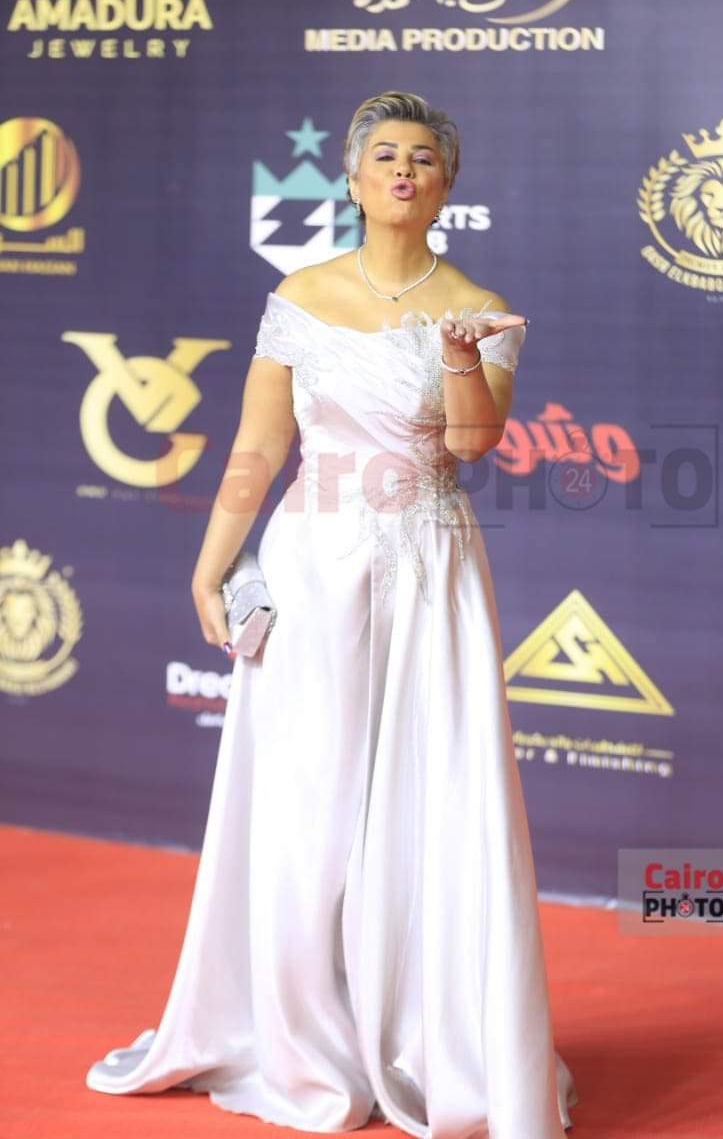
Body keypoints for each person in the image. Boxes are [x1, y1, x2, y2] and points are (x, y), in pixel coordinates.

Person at [85, 91, 579, 1136]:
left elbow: (474, 444)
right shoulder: (299, 295)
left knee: (434, 795)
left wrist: (458, 356)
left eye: (423, 158)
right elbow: (259, 445)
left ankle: (429, 1037)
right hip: (312, 561)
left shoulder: (479, 304)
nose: (403, 170)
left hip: (431, 565)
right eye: (384, 155)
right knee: (306, 801)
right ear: (352, 180)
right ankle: (302, 1039)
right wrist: (210, 568)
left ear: (447, 184)